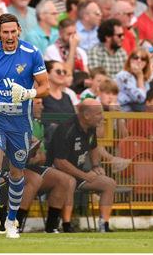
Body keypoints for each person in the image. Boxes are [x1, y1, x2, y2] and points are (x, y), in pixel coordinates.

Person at [0, 13, 50, 238]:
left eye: (12, 32)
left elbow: (45, 84)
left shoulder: (31, 53)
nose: (9, 36)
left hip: (20, 122)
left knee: (16, 173)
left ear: (19, 31)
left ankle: (12, 220)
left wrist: (30, 93)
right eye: (4, 32)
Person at [47, 99, 117, 233]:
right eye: (98, 114)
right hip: (59, 174)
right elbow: (60, 162)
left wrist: (96, 166)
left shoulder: (91, 127)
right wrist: (85, 175)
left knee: (110, 183)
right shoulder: (66, 128)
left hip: (80, 173)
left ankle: (104, 226)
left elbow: (94, 147)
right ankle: (67, 226)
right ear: (86, 115)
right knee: (69, 181)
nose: (102, 117)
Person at [19, 97, 77, 233]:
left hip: (30, 167)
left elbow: (42, 157)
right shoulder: (17, 122)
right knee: (35, 179)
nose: (42, 107)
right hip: (10, 168)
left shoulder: (38, 124)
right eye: (38, 103)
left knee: (66, 180)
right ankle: (16, 224)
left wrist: (36, 156)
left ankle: (51, 227)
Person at [41, 60, 76, 133]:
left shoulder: (67, 96)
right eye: (58, 71)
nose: (63, 74)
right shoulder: (40, 96)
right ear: (47, 74)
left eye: (64, 72)